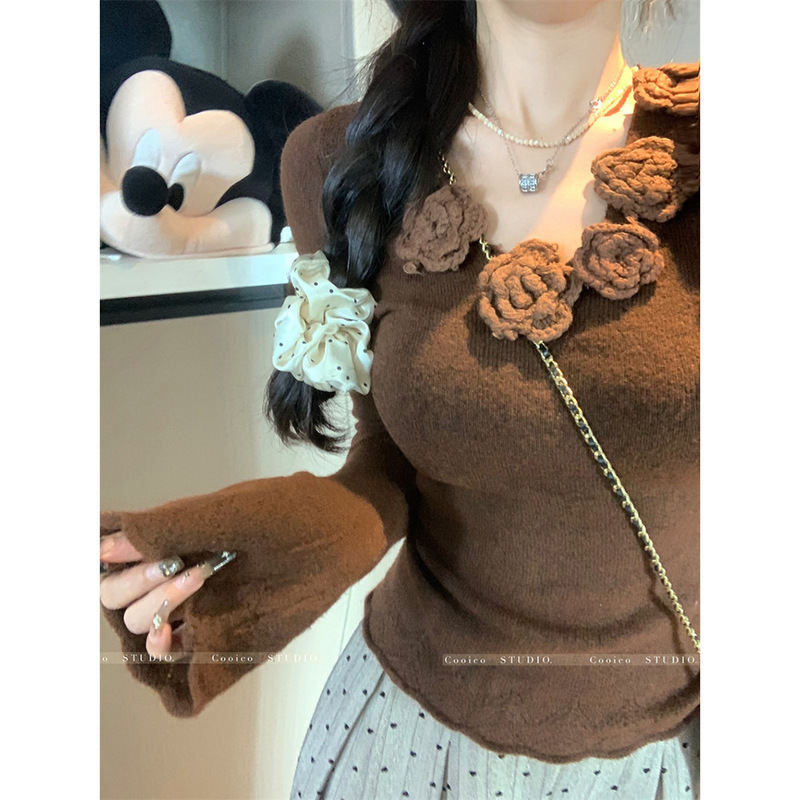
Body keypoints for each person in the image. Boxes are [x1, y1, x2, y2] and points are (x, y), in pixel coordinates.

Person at [100, 1, 700, 797]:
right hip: (403, 742)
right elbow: (387, 456)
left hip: (658, 752)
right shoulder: (339, 160)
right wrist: (274, 555)